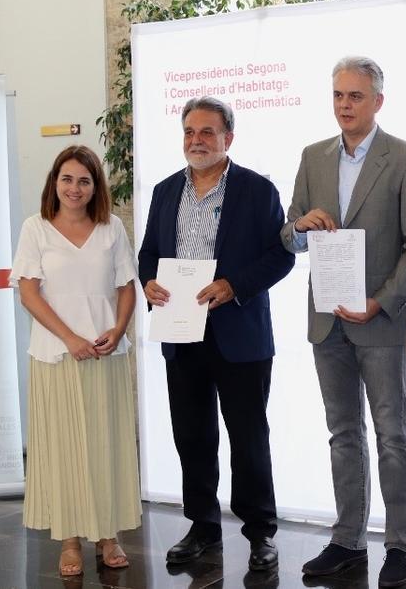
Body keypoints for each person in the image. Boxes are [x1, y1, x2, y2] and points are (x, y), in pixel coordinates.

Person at [281, 56, 406, 587]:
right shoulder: (313, 156)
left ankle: (399, 545)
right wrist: (300, 226)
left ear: (378, 102)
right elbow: (288, 234)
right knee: (342, 434)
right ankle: (348, 540)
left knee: (393, 436)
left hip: (381, 323)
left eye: (355, 96)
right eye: (339, 95)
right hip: (327, 321)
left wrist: (382, 301)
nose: (345, 105)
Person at [138, 97, 294, 573]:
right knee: (193, 436)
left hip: (239, 335)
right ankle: (202, 526)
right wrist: (149, 283)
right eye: (189, 131)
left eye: (207, 131)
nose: (196, 140)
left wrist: (235, 285)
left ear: (229, 137)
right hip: (181, 332)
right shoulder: (166, 191)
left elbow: (281, 255)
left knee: (248, 438)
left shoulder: (257, 190)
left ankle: (260, 533)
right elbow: (147, 254)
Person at [10, 144, 141, 577]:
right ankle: (69, 540)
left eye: (84, 180)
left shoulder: (112, 229)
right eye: (66, 179)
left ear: (95, 187)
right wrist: (69, 338)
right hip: (55, 356)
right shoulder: (36, 229)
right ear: (54, 182)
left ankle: (108, 536)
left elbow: (126, 287)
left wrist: (117, 330)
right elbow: (28, 292)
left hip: (105, 355)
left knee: (107, 445)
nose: (74, 188)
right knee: (64, 448)